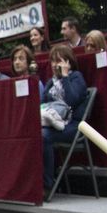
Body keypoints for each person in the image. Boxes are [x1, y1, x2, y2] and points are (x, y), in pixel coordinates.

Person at [40, 43, 87, 195]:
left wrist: (65, 77)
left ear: (68, 62)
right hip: (53, 123)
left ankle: (48, 184)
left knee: (43, 136)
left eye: (59, 61)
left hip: (73, 125)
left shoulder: (76, 77)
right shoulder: (50, 83)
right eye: (53, 61)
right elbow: (41, 104)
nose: (55, 65)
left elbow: (72, 100)